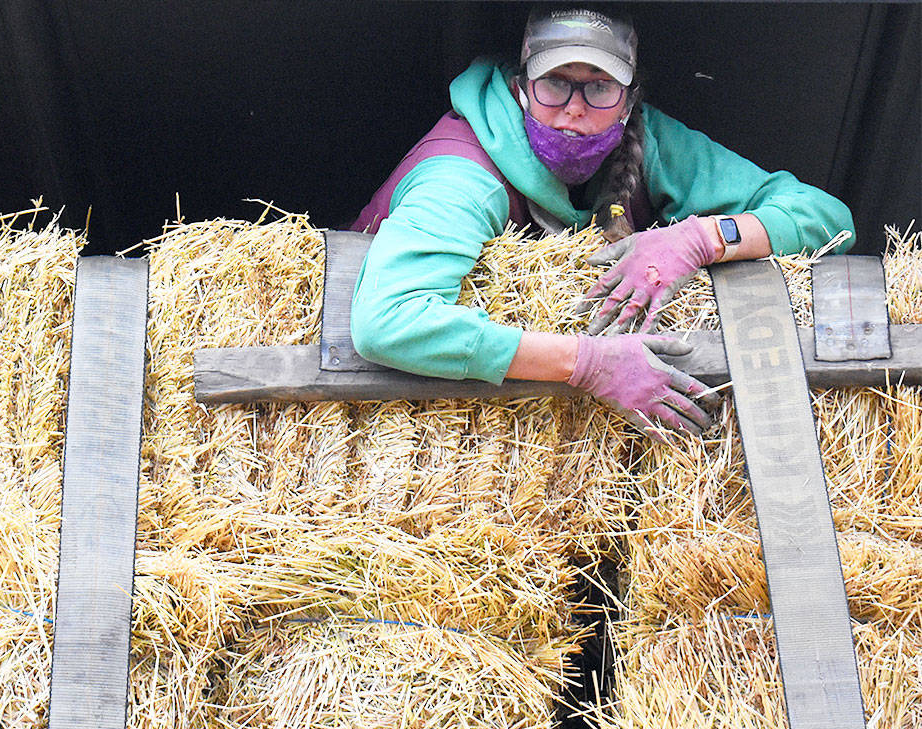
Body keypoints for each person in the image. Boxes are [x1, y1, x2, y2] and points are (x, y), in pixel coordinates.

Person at [348, 6, 855, 438]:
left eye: (598, 89)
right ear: (520, 86)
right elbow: (388, 323)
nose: (574, 109)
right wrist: (588, 364)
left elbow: (827, 217)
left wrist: (702, 238)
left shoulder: (645, 139)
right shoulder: (461, 177)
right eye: (555, 84)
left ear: (630, 99)